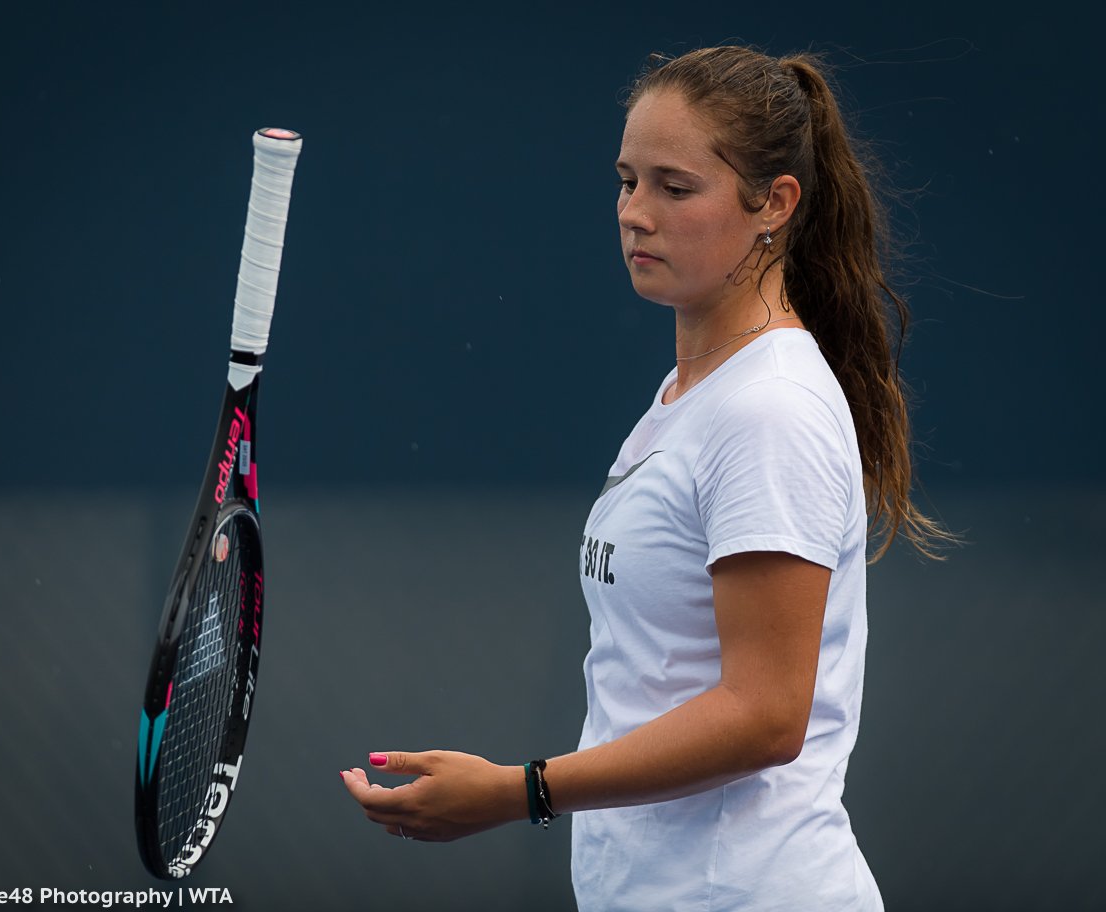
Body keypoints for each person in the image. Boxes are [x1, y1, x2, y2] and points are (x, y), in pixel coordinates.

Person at [340, 44, 950, 910]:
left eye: (675, 186)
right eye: (627, 181)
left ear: (774, 204)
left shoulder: (768, 408)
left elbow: (767, 714)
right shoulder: (686, 395)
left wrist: (521, 790)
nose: (635, 213)